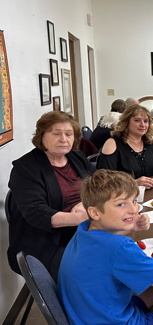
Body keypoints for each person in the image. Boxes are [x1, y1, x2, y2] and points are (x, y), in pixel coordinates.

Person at [57, 169, 153, 325]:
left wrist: (130, 227)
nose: (134, 209)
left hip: (92, 314)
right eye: (121, 204)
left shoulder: (83, 230)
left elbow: (105, 250)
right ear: (95, 213)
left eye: (134, 201)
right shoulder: (119, 248)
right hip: (116, 320)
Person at [7, 111, 96, 279]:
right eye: (57, 134)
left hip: (83, 231)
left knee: (123, 250)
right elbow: (37, 213)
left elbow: (98, 184)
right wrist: (83, 218)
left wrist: (83, 203)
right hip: (46, 242)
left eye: (69, 134)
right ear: (41, 136)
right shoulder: (25, 168)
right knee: (95, 270)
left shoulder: (76, 157)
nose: (64, 139)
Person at [98, 104, 153, 189]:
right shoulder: (112, 143)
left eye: (146, 121)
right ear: (126, 122)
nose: (143, 125)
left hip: (151, 193)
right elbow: (104, 181)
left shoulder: (151, 141)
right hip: (123, 195)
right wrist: (134, 183)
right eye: (137, 120)